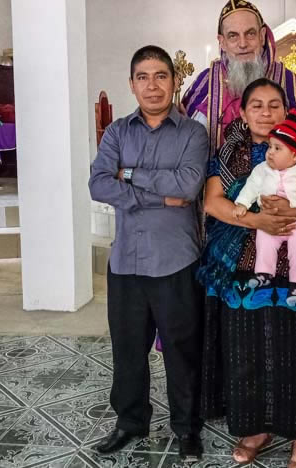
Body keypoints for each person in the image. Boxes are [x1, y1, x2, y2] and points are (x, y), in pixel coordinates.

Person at [182, 0, 296, 398]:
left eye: (249, 34)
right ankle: (239, 401)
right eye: (233, 36)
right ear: (221, 41)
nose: (242, 43)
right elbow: (189, 149)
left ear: (263, 36)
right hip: (228, 224)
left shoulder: (287, 81)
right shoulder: (205, 85)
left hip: (294, 222)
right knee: (242, 327)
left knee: (295, 328)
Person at [198, 78, 296, 468]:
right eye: (257, 106)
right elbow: (213, 203)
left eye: (274, 105)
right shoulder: (229, 153)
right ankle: (256, 429)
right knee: (249, 349)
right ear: (243, 114)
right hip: (246, 266)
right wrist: (258, 221)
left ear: (286, 111)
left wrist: (293, 212)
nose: (266, 112)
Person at [88, 45, 209, 462]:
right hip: (126, 261)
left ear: (174, 82)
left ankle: (187, 428)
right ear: (132, 84)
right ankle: (130, 422)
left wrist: (131, 176)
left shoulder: (193, 133)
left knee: (182, 350)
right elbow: (98, 184)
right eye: (143, 77)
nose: (152, 85)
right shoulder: (117, 132)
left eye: (161, 76)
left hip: (176, 260)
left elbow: (188, 186)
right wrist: (158, 196)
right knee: (127, 350)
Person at [232, 109, 296, 285]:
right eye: (270, 146)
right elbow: (251, 186)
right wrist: (242, 203)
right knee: (264, 242)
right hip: (269, 218)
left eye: (277, 148)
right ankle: (263, 273)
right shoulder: (263, 168)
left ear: (295, 155)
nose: (270, 152)